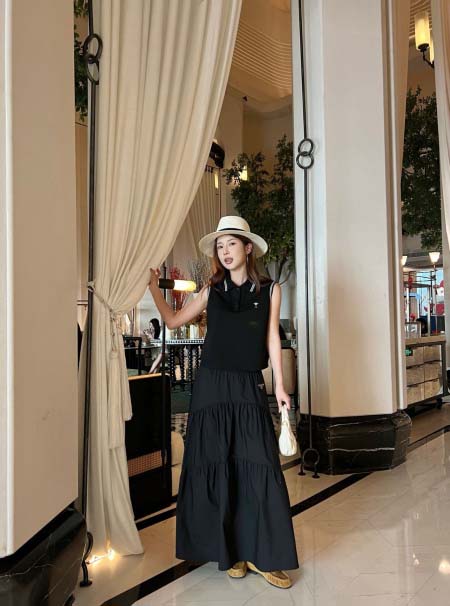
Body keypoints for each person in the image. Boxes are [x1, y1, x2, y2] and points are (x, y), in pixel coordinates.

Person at [148, 215, 299, 589]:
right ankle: (231, 553)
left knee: (258, 464)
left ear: (247, 247)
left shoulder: (270, 289)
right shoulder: (210, 290)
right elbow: (172, 321)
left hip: (248, 385)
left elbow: (271, 339)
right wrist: (153, 288)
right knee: (219, 464)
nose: (225, 251)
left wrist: (280, 386)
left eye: (231, 243)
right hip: (212, 388)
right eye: (220, 245)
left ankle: (262, 554)